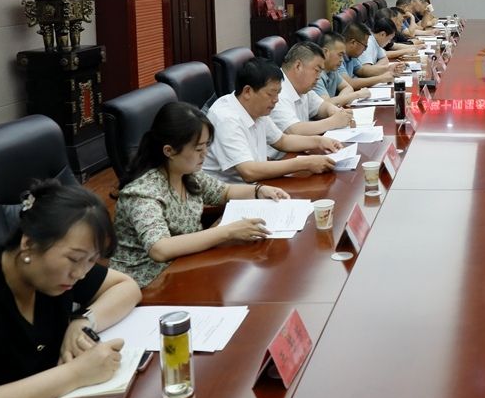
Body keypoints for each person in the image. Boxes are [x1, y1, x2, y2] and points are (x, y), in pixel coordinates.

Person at [0, 180, 141, 398]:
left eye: (91, 260)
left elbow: (126, 286)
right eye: (74, 259)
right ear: (29, 244)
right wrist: (76, 374)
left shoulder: (56, 270)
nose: (81, 274)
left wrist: (83, 322)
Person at [112, 102, 290, 287]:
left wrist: (259, 190)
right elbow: (160, 249)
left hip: (186, 266)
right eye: (198, 149)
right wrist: (228, 232)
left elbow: (224, 191)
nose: (205, 153)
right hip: (148, 284)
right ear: (169, 151)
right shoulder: (142, 192)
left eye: (206, 145)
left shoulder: (188, 173)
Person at [204, 58, 340, 183]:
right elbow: (249, 171)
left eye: (278, 93)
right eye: (270, 94)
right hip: (232, 196)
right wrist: (305, 163)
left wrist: (319, 141)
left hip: (258, 186)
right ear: (247, 91)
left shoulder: (256, 108)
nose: (276, 100)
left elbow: (282, 141)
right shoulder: (226, 119)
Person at [270, 42, 354, 137]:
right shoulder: (276, 92)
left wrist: (334, 111)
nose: (319, 77)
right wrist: (333, 122)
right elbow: (293, 130)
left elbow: (321, 107)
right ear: (298, 66)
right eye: (317, 70)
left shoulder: (302, 87)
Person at [313, 32, 369, 107]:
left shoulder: (332, 70)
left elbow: (348, 87)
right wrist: (357, 94)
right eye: (340, 55)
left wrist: (338, 102)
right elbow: (326, 104)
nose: (342, 60)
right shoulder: (315, 75)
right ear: (325, 52)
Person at [341, 21, 398, 90]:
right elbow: (349, 83)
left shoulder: (351, 55)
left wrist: (389, 68)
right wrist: (381, 79)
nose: (365, 49)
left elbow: (362, 71)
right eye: (365, 46)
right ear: (353, 43)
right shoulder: (338, 56)